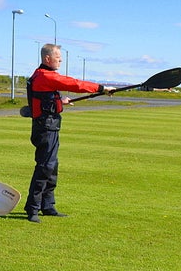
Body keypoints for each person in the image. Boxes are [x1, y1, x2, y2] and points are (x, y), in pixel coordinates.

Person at [24, 44, 114, 223]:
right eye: (57, 56)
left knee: (52, 167)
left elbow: (45, 96)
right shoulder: (45, 75)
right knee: (45, 167)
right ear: (47, 59)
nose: (61, 59)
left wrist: (60, 100)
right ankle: (32, 208)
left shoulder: (41, 75)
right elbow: (73, 83)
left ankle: (48, 206)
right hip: (45, 128)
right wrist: (101, 88)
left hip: (50, 126)